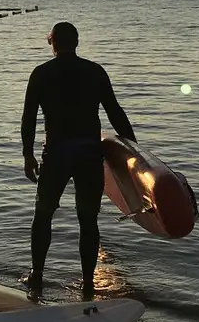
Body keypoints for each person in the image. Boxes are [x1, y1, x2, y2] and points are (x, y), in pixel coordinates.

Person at [21, 21, 136, 299]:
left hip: (57, 153)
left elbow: (29, 118)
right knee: (88, 218)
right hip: (88, 154)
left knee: (44, 214)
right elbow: (115, 112)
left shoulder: (41, 73)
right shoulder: (95, 72)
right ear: (77, 42)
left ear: (53, 43)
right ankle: (87, 283)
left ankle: (37, 275)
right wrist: (134, 149)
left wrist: (28, 155)